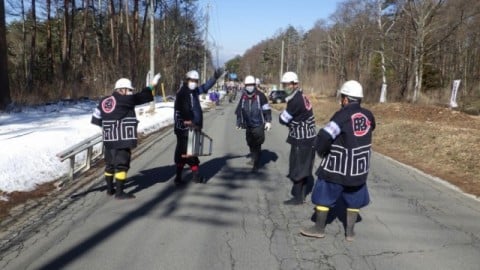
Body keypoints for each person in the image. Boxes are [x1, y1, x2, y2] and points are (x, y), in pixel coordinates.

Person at [300, 80, 376, 242]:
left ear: (346, 99)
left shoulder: (342, 115)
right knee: (354, 198)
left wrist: (321, 151)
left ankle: (319, 228)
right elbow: (371, 128)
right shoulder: (368, 115)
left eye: (342, 97)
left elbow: (325, 136)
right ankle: (350, 232)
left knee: (324, 194)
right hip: (359, 168)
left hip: (338, 167)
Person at [91, 74, 161, 199]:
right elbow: (144, 96)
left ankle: (109, 189)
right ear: (121, 89)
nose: (130, 92)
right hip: (122, 139)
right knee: (122, 165)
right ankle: (119, 193)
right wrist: (151, 85)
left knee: (110, 165)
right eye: (129, 90)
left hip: (108, 139)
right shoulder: (126, 100)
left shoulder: (103, 101)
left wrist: (107, 128)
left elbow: (96, 119)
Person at [173, 68, 224, 185]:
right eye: (192, 80)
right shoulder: (182, 93)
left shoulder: (194, 91)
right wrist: (188, 122)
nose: (194, 82)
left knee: (187, 152)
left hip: (194, 127)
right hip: (186, 128)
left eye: (196, 81)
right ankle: (193, 176)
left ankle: (180, 177)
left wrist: (214, 78)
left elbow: (205, 87)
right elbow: (182, 110)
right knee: (189, 152)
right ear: (187, 80)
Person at [278, 71, 316, 205]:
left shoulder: (296, 101)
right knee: (305, 167)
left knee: (298, 167)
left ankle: (298, 197)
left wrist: (286, 118)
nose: (285, 87)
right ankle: (303, 194)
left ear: (295, 84)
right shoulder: (301, 96)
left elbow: (282, 119)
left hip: (302, 138)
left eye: (288, 84)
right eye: (284, 85)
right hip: (309, 137)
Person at [235, 75, 272, 172]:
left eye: (251, 84)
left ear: (254, 85)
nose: (249, 86)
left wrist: (268, 121)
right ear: (245, 85)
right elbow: (239, 110)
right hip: (248, 125)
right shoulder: (243, 96)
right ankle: (254, 157)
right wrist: (239, 122)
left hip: (258, 124)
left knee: (257, 143)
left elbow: (266, 109)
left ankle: (256, 163)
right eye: (248, 85)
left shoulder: (260, 96)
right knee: (250, 143)